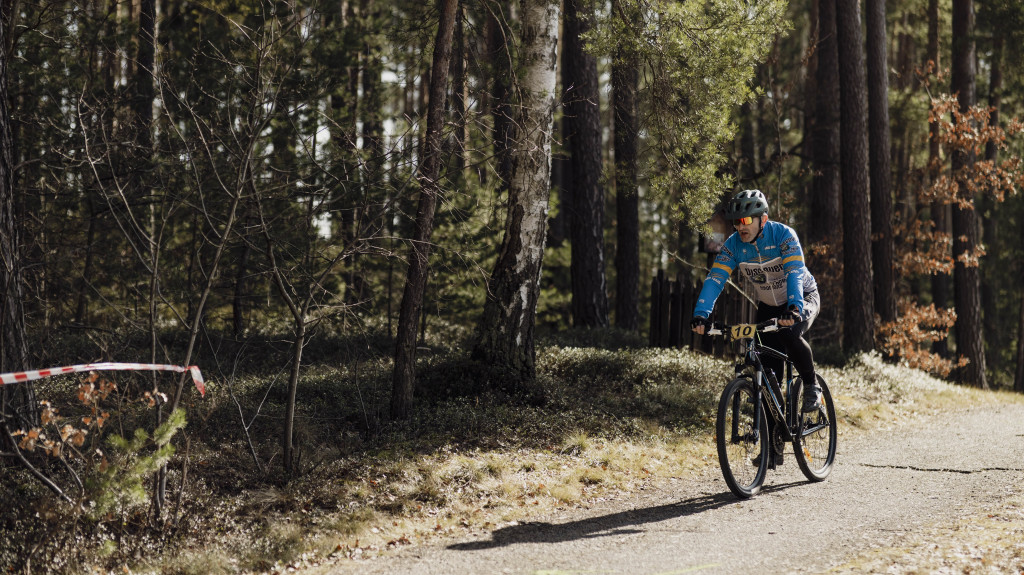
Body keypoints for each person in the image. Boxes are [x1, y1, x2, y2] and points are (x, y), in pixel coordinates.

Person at [690, 189, 822, 420]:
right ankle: (774, 450)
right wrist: (701, 314)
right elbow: (715, 279)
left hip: (803, 296)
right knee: (767, 379)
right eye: (736, 222)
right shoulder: (733, 246)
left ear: (763, 220)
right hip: (769, 306)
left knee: (789, 334)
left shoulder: (783, 235)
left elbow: (793, 273)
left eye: (745, 220)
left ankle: (812, 387)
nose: (739, 227)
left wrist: (794, 307)